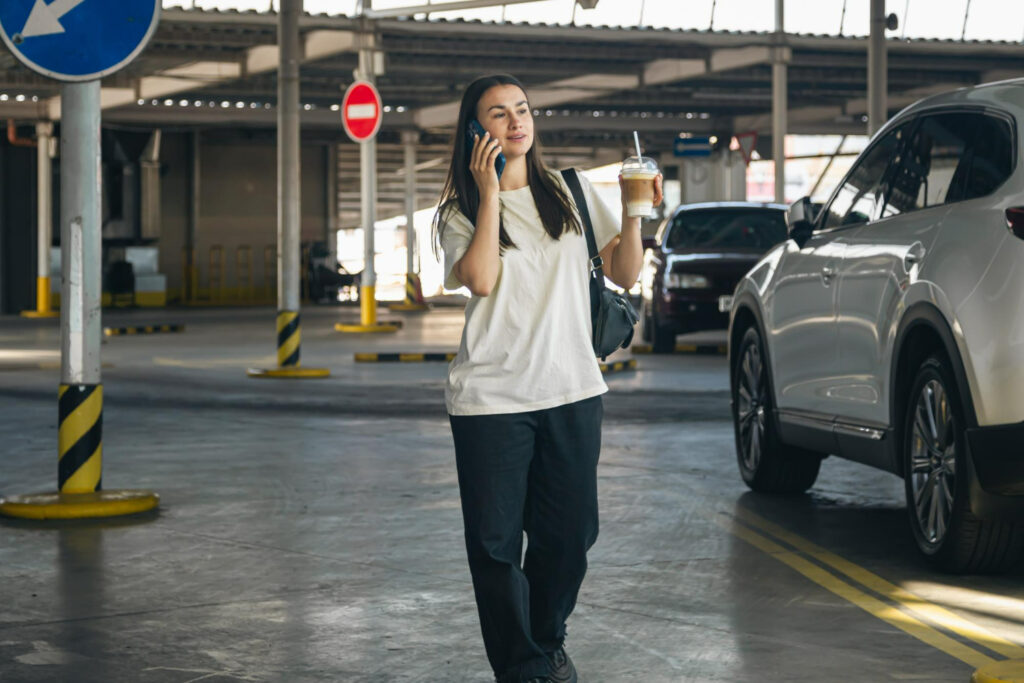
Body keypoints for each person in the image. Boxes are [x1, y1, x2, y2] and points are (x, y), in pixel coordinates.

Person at [434, 74, 663, 683]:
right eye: (499, 114)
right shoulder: (458, 211)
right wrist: (490, 193)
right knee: (495, 546)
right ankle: (523, 666)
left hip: (572, 388)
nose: (517, 122)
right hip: (491, 398)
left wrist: (636, 213)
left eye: (523, 109)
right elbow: (481, 278)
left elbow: (623, 272)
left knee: (570, 535)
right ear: (475, 131)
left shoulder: (571, 190)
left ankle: (545, 639)